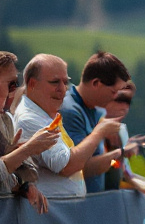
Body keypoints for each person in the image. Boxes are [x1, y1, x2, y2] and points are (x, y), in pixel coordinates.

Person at [14, 54, 122, 199]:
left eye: (65, 82)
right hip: (50, 214)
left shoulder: (47, 114)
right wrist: (99, 132)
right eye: (54, 82)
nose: (62, 89)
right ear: (32, 84)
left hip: (62, 212)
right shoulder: (30, 119)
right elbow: (67, 166)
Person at [60, 51, 130, 194]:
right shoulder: (70, 111)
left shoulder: (96, 112)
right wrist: (120, 153)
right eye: (113, 92)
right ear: (96, 83)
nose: (115, 98)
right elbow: (79, 168)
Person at [1, 51, 60, 213]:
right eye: (10, 84)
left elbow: (28, 174)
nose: (14, 90)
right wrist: (27, 150)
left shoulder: (5, 119)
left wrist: (25, 186)